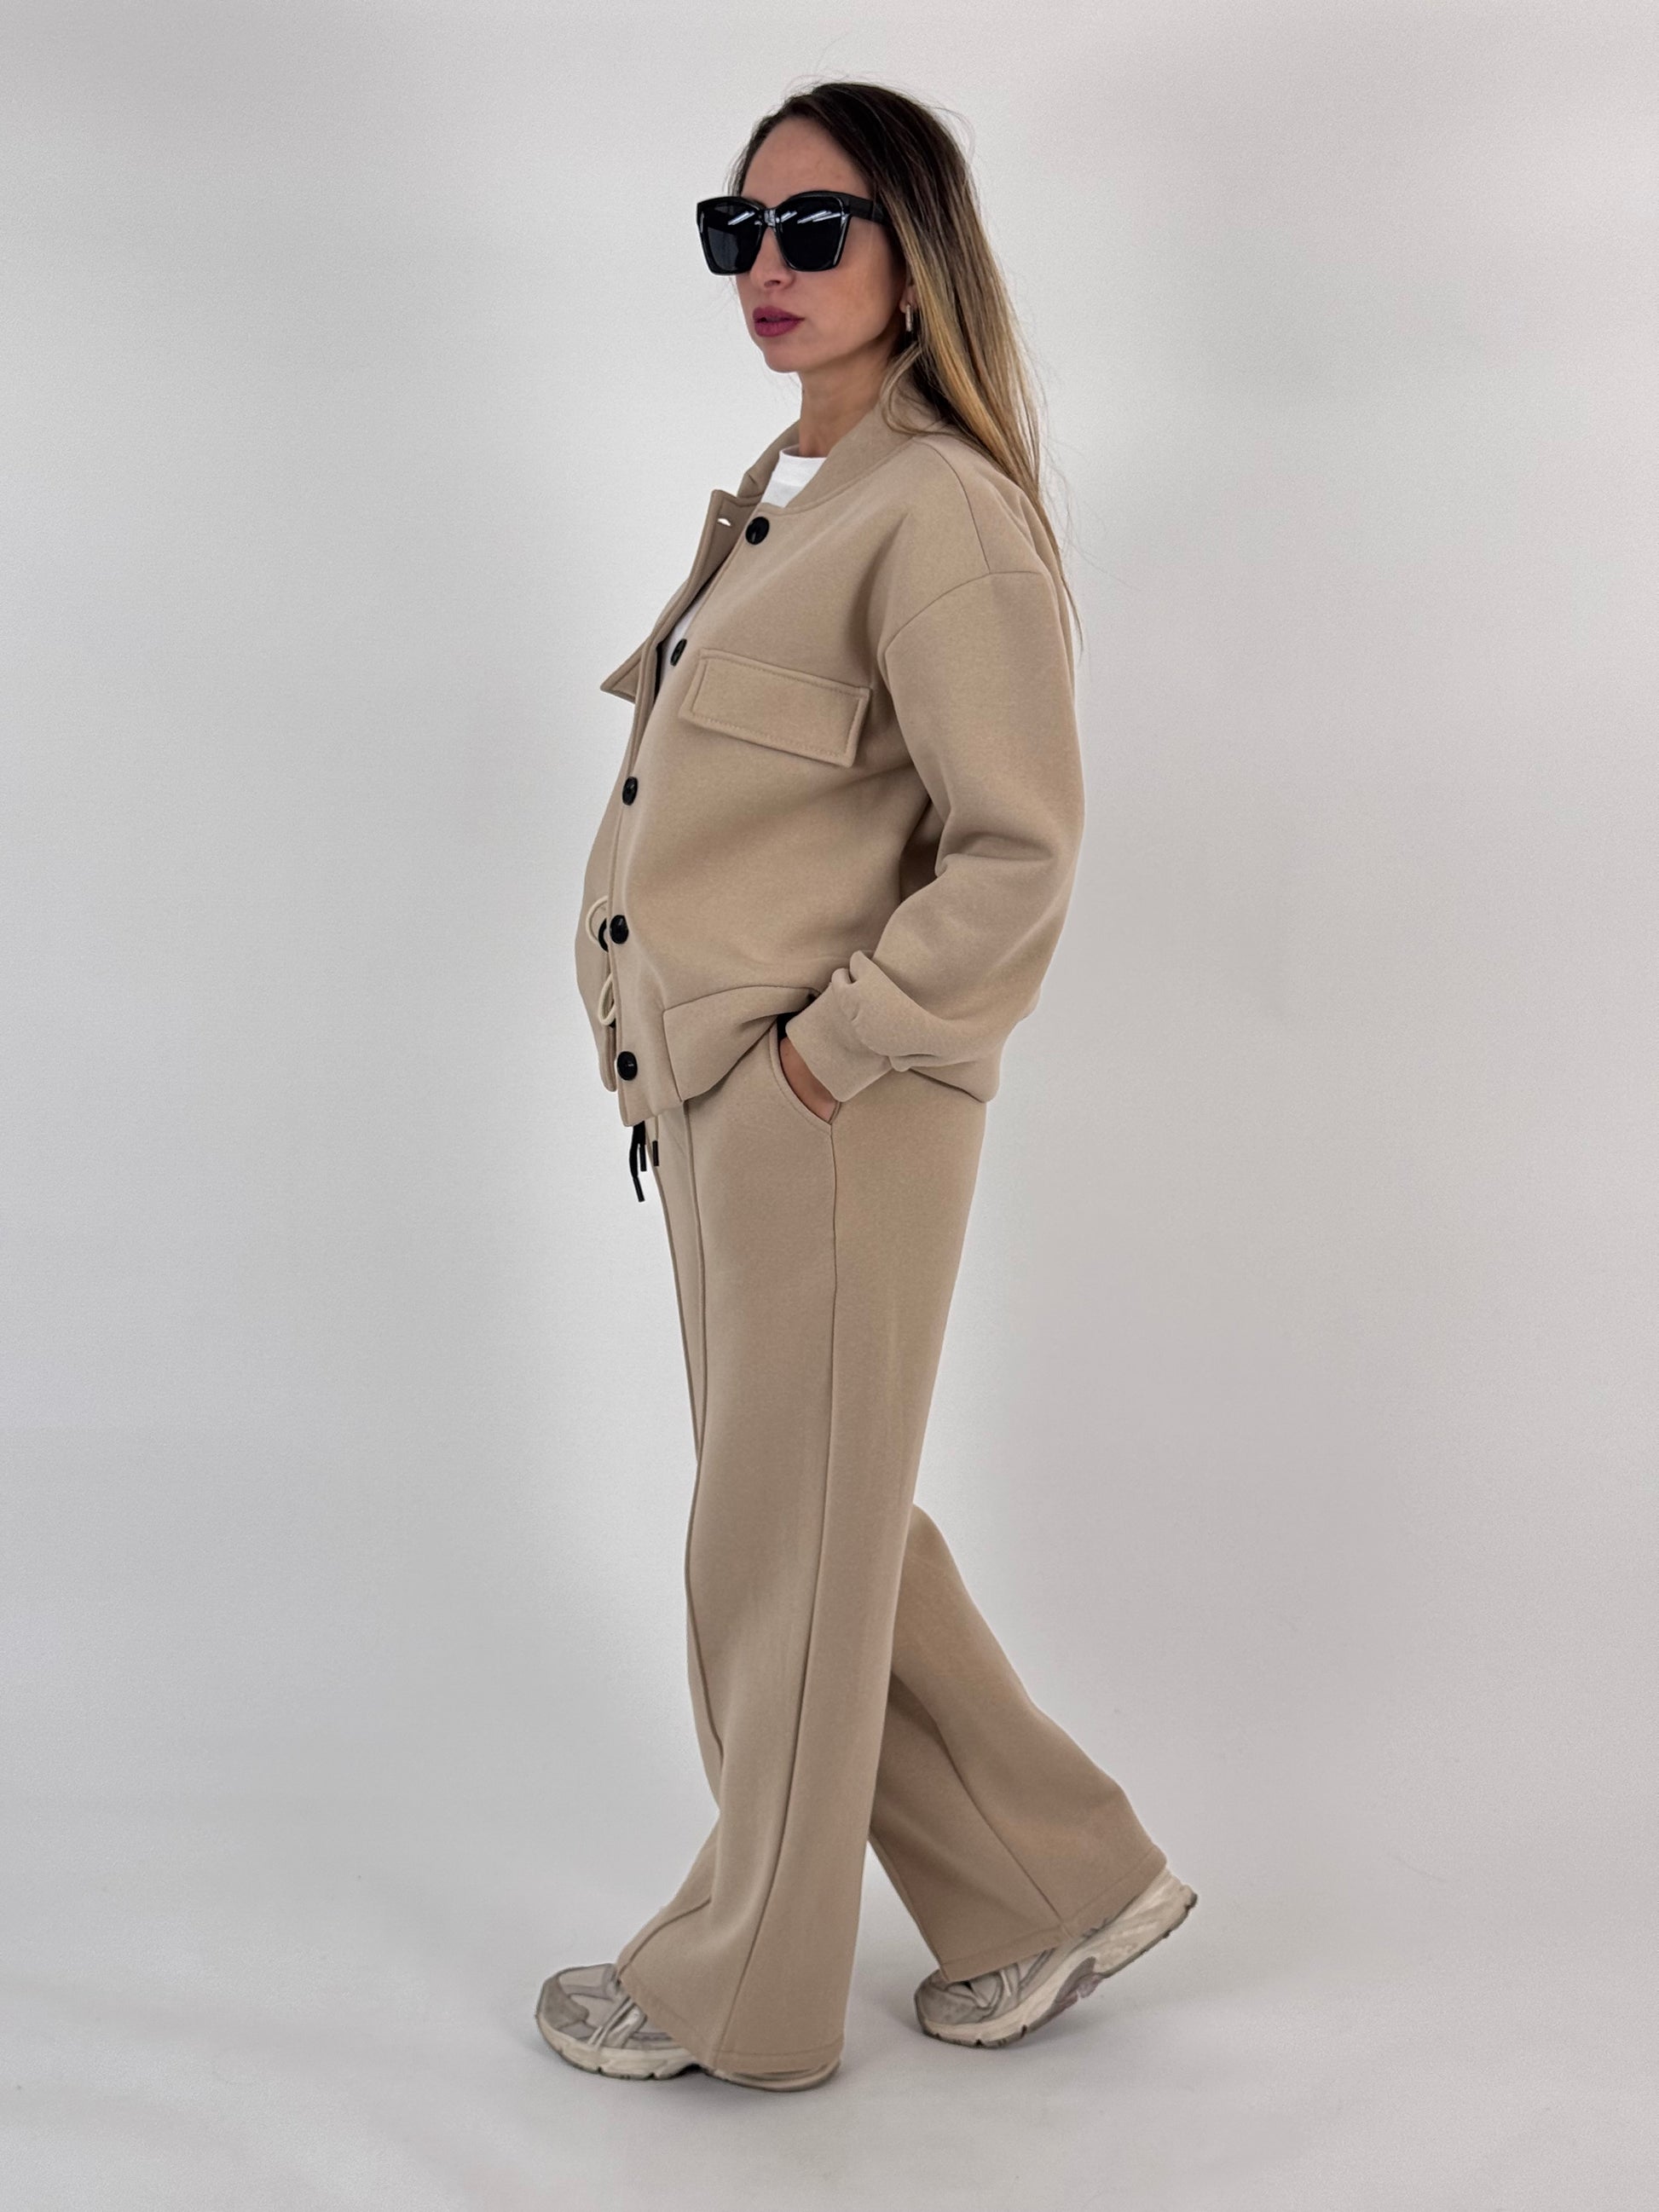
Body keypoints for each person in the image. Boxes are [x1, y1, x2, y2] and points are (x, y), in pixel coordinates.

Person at [536, 78, 1195, 2094]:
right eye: (736, 229)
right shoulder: (796, 492)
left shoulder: (942, 513)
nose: (768, 264)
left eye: (813, 227)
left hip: (829, 1105)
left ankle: (739, 1980)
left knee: (778, 1545)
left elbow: (1016, 855)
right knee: (824, 1522)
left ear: (916, 254)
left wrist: (825, 1055)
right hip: (723, 1103)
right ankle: (1052, 1883)